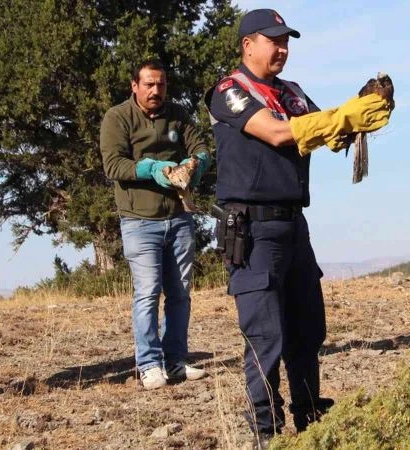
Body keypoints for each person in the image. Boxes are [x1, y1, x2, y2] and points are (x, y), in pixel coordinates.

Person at [204, 8, 392, 439]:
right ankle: (266, 434)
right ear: (247, 45)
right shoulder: (229, 90)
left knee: (307, 331)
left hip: (294, 226)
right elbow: (276, 133)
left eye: (286, 41)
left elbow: (328, 133)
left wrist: (360, 110)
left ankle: (311, 425)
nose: (283, 49)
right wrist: (343, 116)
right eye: (274, 40)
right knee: (265, 338)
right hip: (252, 231)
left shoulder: (292, 93)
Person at [100, 58, 211, 390]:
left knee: (180, 294)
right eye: (149, 84)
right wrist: (151, 170)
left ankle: (176, 361)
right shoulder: (117, 117)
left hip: (179, 217)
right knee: (147, 293)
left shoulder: (178, 114)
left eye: (161, 84)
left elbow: (201, 147)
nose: (155, 90)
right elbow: (113, 165)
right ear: (134, 86)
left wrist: (195, 164)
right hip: (139, 221)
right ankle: (149, 364)